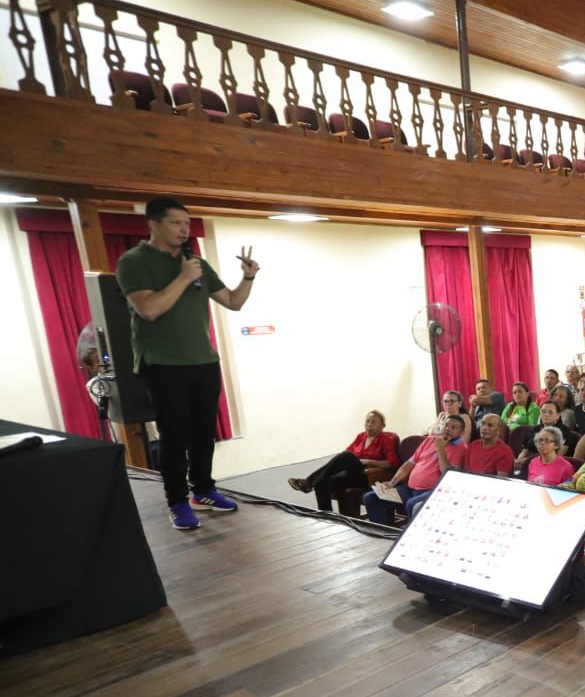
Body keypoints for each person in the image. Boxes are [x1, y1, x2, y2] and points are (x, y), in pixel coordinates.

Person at [115, 196, 258, 529]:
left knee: (203, 433)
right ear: (154, 224)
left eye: (187, 223)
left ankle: (203, 490)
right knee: (175, 436)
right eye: (176, 223)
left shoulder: (196, 262)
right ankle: (177, 501)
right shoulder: (134, 261)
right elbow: (149, 310)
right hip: (163, 364)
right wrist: (181, 278)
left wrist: (248, 278)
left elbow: (233, 302)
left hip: (203, 361)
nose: (184, 229)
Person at [363, 413, 467, 525]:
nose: (448, 429)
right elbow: (409, 464)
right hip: (410, 489)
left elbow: (447, 475)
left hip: (431, 492)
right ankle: (382, 533)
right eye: (446, 425)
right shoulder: (430, 440)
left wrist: (440, 449)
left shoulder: (461, 448)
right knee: (371, 497)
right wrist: (392, 483)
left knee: (411, 504)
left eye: (453, 427)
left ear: (461, 433)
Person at [288, 409, 400, 512]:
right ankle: (326, 516)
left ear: (382, 425)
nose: (369, 424)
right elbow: (346, 455)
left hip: (368, 476)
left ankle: (308, 482)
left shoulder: (387, 440)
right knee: (322, 482)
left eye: (374, 422)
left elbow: (393, 463)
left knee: (347, 456)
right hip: (351, 475)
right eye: (367, 421)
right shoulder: (361, 436)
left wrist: (368, 461)